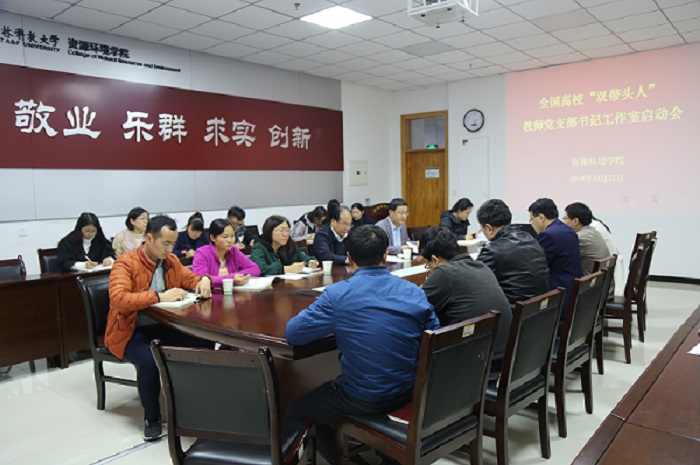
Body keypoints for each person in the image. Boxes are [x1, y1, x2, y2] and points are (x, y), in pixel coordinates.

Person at [286, 225, 439, 464]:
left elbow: (294, 333)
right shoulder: (414, 292)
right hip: (409, 390)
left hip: (363, 397)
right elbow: (435, 337)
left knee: (295, 411)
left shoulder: (337, 294)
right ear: (385, 256)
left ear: (349, 258)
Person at [105, 215, 214, 441]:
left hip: (164, 326)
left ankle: (195, 403)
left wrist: (204, 280)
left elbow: (190, 279)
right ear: (149, 238)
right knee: (149, 360)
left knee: (203, 342)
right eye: (165, 243)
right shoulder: (126, 263)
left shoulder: (170, 260)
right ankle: (152, 418)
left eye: (173, 243)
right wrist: (159, 296)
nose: (170, 249)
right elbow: (119, 299)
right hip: (131, 330)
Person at [419, 226, 511, 378]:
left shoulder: (444, 273)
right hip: (503, 359)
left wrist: (423, 287)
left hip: (475, 368)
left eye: (427, 264)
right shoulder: (481, 266)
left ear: (435, 260)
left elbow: (415, 308)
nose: (429, 269)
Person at [476, 199, 549, 309]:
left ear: (488, 228)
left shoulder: (493, 250)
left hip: (513, 312)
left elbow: (473, 281)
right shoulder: (530, 239)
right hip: (537, 310)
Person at [528, 198, 583, 309]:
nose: (531, 224)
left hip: (559, 295)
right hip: (572, 290)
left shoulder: (548, 235)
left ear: (541, 217)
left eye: (531, 219)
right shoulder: (568, 230)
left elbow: (537, 267)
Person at [192, 219, 260, 288]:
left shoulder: (234, 251)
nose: (230, 240)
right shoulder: (202, 253)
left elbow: (255, 269)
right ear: (213, 237)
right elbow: (202, 279)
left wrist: (237, 277)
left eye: (232, 236)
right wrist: (232, 278)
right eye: (225, 237)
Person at [250, 215, 318, 276]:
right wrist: (286, 269)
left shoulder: (289, 244)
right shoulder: (259, 247)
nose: (285, 234)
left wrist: (311, 262)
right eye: (281, 230)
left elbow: (305, 258)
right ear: (269, 231)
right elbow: (259, 269)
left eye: (287, 230)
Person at [563, 202, 612, 276]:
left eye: (565, 218)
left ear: (575, 221)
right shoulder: (593, 232)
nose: (563, 222)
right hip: (597, 281)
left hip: (587, 282)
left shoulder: (580, 237)